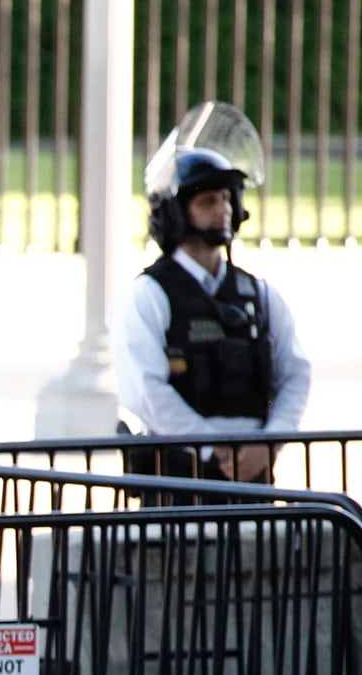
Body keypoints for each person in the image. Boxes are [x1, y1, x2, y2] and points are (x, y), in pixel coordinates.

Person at [115, 100, 310, 486]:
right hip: (179, 480)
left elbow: (296, 374)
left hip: (254, 475)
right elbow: (145, 390)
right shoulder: (151, 294)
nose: (221, 209)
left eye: (226, 199)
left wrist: (269, 445)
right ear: (175, 213)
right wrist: (214, 449)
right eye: (207, 201)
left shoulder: (259, 295)